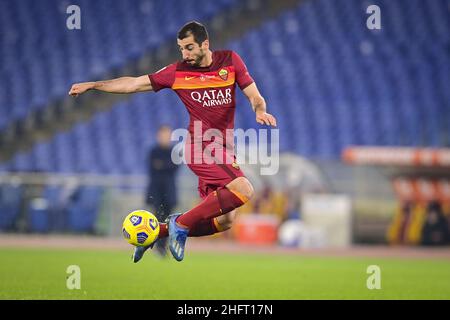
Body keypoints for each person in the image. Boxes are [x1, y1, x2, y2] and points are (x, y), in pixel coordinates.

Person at [69, 21, 277, 262]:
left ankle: (157, 232)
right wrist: (94, 85)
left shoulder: (230, 61)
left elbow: (254, 95)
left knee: (226, 220)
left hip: (223, 149)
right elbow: (134, 83)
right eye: (181, 49)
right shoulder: (177, 72)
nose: (185, 54)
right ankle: (180, 223)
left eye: (189, 47)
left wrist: (259, 110)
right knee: (244, 189)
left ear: (205, 44)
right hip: (199, 145)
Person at [146, 125, 179, 256]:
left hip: (169, 191)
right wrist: (166, 165)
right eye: (163, 134)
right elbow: (152, 168)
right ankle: (153, 245)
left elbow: (174, 168)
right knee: (156, 218)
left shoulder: (174, 152)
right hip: (156, 191)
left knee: (168, 220)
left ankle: (163, 247)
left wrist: (162, 165)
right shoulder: (153, 151)